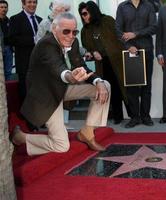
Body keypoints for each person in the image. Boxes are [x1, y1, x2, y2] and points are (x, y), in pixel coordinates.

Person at [10, 13, 111, 155]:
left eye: (74, 32)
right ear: (54, 29)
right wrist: (71, 77)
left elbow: (81, 65)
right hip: (47, 96)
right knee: (61, 146)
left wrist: (98, 81)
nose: (71, 36)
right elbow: (58, 67)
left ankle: (87, 132)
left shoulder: (73, 42)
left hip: (63, 89)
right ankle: (21, 137)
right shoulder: (46, 44)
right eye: (66, 31)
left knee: (105, 85)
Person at [78, 1, 128, 125]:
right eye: (82, 14)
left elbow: (119, 37)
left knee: (122, 88)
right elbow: (86, 47)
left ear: (92, 12)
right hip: (101, 64)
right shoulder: (85, 30)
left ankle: (132, 115)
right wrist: (93, 51)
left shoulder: (107, 21)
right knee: (107, 87)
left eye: (85, 13)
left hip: (117, 61)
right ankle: (115, 115)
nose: (84, 17)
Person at [116, 0, 157, 128]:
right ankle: (134, 118)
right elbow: (117, 29)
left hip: (146, 49)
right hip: (129, 51)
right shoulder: (122, 7)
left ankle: (146, 116)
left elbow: (154, 27)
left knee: (146, 86)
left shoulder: (149, 5)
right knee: (132, 86)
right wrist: (128, 46)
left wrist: (135, 34)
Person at [9, 0, 42, 102]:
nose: (32, 5)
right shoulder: (15, 19)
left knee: (39, 88)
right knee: (25, 89)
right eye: (29, 2)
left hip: (39, 62)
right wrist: (33, 40)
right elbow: (12, 39)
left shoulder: (40, 20)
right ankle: (26, 114)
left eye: (34, 2)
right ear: (23, 4)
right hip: (24, 61)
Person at [0, 0, 13, 80]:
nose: (4, 9)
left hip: (8, 49)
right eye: (1, 7)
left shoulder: (10, 21)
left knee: (8, 72)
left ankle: (8, 91)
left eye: (5, 7)